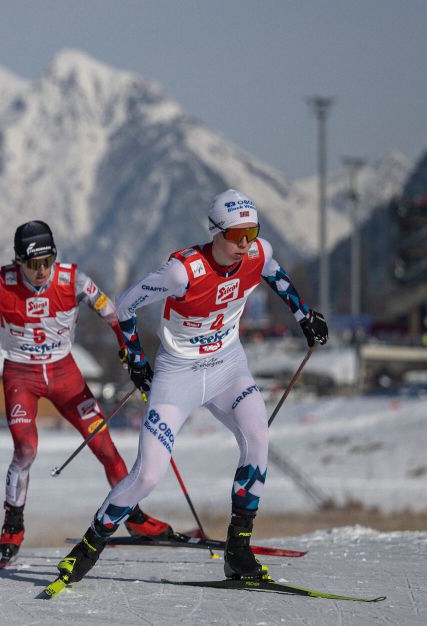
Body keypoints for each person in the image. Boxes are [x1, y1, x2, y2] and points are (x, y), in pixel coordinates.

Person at [56, 189, 328, 586]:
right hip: (178, 376)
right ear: (215, 232)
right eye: (235, 235)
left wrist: (305, 316)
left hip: (228, 367)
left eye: (251, 232)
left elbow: (275, 274)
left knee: (257, 438)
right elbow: (125, 305)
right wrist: (135, 358)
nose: (245, 243)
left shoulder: (259, 253)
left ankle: (238, 551)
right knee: (148, 475)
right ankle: (87, 548)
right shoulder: (182, 272)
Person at [0, 220, 177, 564]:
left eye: (48, 261)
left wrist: (127, 349)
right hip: (21, 376)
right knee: (26, 448)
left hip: (64, 374)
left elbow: (113, 313)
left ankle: (133, 517)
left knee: (104, 445)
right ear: (18, 261)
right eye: (33, 264)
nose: (42, 270)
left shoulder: (74, 280)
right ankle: (13, 523)